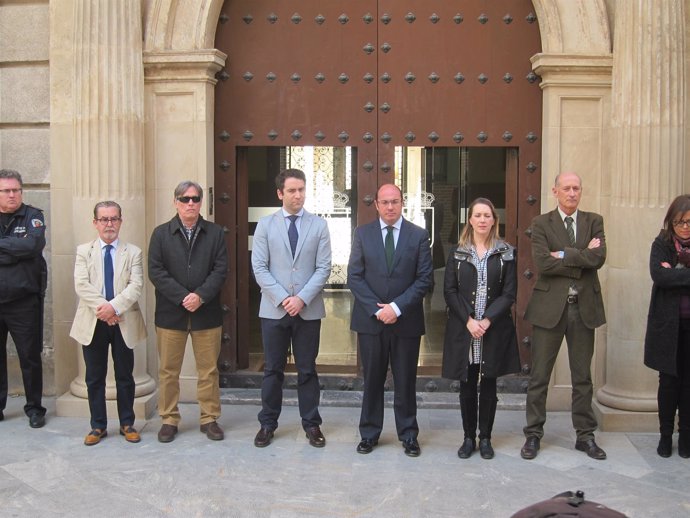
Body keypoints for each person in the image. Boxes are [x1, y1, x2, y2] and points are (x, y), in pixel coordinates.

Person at [521, 172, 607, 460]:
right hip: (549, 309)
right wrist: (580, 254)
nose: (572, 193)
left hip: (584, 309)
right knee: (539, 376)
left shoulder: (594, 221)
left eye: (576, 188)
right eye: (566, 188)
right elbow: (543, 263)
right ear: (554, 191)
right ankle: (533, 434)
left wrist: (564, 254)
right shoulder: (541, 223)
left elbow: (599, 258)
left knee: (582, 377)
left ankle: (585, 435)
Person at [348, 183, 433, 457]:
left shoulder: (418, 236)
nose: (390, 207)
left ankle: (408, 434)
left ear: (402, 202)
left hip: (405, 322)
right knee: (372, 379)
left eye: (394, 201)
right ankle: (369, 434)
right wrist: (378, 309)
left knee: (405, 380)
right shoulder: (362, 234)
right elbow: (355, 276)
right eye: (384, 202)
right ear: (376, 205)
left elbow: (424, 280)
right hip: (371, 322)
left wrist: (396, 308)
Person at [251, 169, 332, 448]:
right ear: (280, 194)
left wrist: (301, 299)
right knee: (273, 369)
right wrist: (284, 298)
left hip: (308, 311)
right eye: (292, 191)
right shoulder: (265, 225)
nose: (298, 195)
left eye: (301, 190)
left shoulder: (318, 225)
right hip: (274, 311)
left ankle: (311, 424)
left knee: (307, 369)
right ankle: (267, 424)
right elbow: (259, 267)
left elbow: (324, 268)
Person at [148, 181, 228, 443]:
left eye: (195, 199)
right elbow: (156, 271)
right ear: (175, 202)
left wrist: (201, 296)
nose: (190, 203)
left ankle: (209, 418)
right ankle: (169, 419)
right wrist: (183, 297)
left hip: (206, 313)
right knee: (169, 371)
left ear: (201, 202)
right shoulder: (161, 234)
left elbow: (220, 269)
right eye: (185, 199)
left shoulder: (215, 233)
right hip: (172, 314)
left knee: (208, 371)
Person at [442, 198, 520, 460]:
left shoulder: (506, 252)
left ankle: (485, 438)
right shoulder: (457, 253)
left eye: (488, 215)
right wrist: (469, 321)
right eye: (478, 215)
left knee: (488, 384)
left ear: (494, 220)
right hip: (466, 330)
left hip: (492, 330)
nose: (483, 220)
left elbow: (509, 294)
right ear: (471, 220)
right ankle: (467, 438)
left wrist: (486, 321)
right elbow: (450, 291)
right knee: (467, 384)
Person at [70, 201, 147, 445]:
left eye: (114, 219)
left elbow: (136, 286)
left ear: (121, 221)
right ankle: (98, 426)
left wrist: (114, 308)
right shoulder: (84, 251)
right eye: (104, 219)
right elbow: (81, 285)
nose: (109, 224)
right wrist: (105, 309)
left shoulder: (133, 252)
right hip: (94, 321)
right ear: (95, 223)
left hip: (122, 320)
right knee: (95, 377)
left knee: (125, 375)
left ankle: (127, 423)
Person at [644, 194, 690, 458]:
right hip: (667, 325)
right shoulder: (661, 243)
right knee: (669, 382)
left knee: (688, 384)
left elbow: (668, 276)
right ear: (671, 222)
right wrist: (673, 274)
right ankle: (665, 436)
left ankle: (686, 437)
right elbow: (658, 275)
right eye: (679, 222)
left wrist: (675, 273)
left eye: (688, 222)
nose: (684, 227)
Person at [0, 169, 47, 428]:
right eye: (6, 190)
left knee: (29, 356)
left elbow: (32, 246)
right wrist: (14, 249)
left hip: (24, 301)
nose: (12, 195)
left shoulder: (33, 216)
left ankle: (34, 408)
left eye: (16, 190)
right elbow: (22, 248)